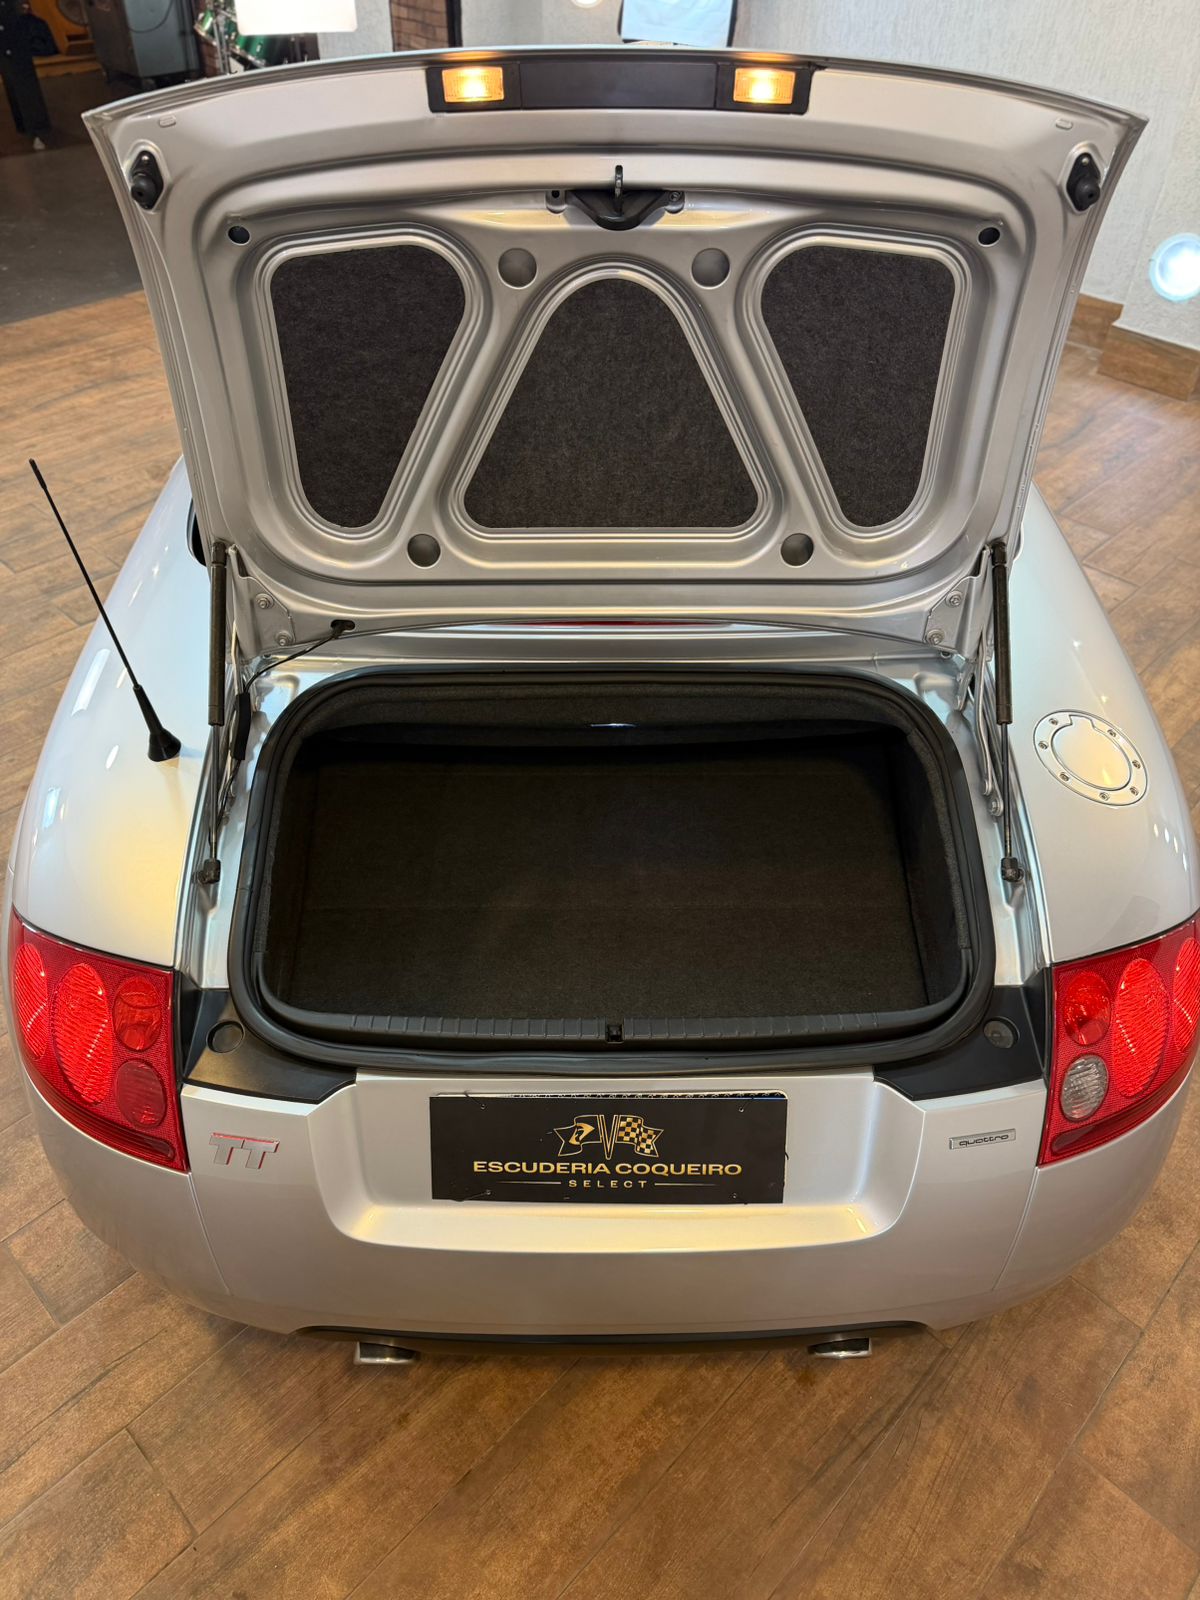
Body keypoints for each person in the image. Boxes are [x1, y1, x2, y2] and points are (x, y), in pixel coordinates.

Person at [0, 0, 55, 151]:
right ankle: (30, 127)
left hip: (11, 25)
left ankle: (35, 130)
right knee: (15, 77)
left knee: (21, 77)